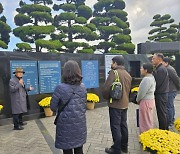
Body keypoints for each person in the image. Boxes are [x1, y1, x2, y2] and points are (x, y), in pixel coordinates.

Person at [50, 60, 87, 154]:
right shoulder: (82, 87)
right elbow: (83, 104)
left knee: (67, 150)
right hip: (80, 123)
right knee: (79, 149)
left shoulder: (60, 88)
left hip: (65, 124)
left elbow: (52, 107)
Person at [102, 56, 132, 154]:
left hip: (115, 104)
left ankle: (116, 149)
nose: (112, 64)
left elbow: (106, 88)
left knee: (115, 126)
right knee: (123, 125)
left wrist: (106, 97)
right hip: (125, 104)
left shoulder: (114, 73)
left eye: (112, 63)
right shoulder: (127, 74)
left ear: (115, 63)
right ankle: (124, 147)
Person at [136, 63, 156, 133]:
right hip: (150, 101)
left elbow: (141, 93)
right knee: (148, 119)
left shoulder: (146, 79)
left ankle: (146, 136)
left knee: (145, 120)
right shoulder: (152, 77)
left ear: (146, 70)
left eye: (142, 68)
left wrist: (137, 100)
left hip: (145, 101)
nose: (140, 69)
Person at [152, 53, 169, 130]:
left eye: (154, 58)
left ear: (159, 59)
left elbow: (157, 83)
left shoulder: (161, 69)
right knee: (162, 112)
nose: (152, 60)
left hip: (161, 94)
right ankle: (164, 128)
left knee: (161, 113)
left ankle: (163, 130)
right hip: (161, 93)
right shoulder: (159, 68)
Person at [162, 57, 180, 127]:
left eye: (163, 62)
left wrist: (178, 87)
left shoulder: (170, 69)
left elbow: (176, 79)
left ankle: (171, 121)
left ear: (166, 63)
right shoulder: (166, 68)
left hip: (171, 90)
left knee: (169, 106)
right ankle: (170, 120)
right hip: (169, 90)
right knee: (169, 106)